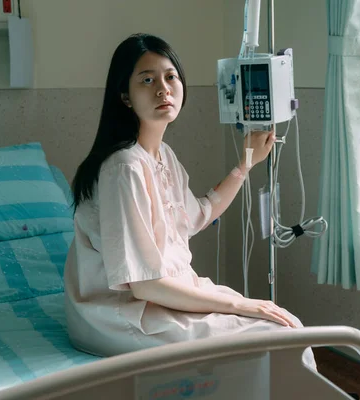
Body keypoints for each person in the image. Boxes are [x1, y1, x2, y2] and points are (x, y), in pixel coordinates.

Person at [65, 33, 316, 369]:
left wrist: (244, 165)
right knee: (276, 340)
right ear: (125, 96)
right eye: (147, 80)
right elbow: (144, 284)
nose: (162, 89)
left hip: (167, 293)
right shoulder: (124, 168)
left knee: (288, 329)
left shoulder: (162, 156)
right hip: (125, 313)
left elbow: (198, 214)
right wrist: (241, 306)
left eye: (171, 77)